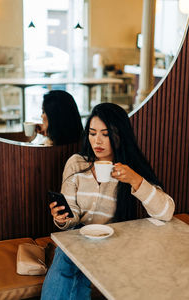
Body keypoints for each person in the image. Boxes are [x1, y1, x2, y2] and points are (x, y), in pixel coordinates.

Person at [41, 102, 175, 300]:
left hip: (114, 242)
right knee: (66, 260)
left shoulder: (130, 169)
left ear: (120, 135)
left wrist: (135, 180)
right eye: (93, 133)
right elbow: (72, 216)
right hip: (78, 237)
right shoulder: (76, 163)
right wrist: (62, 218)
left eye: (105, 134)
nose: (98, 141)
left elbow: (166, 212)